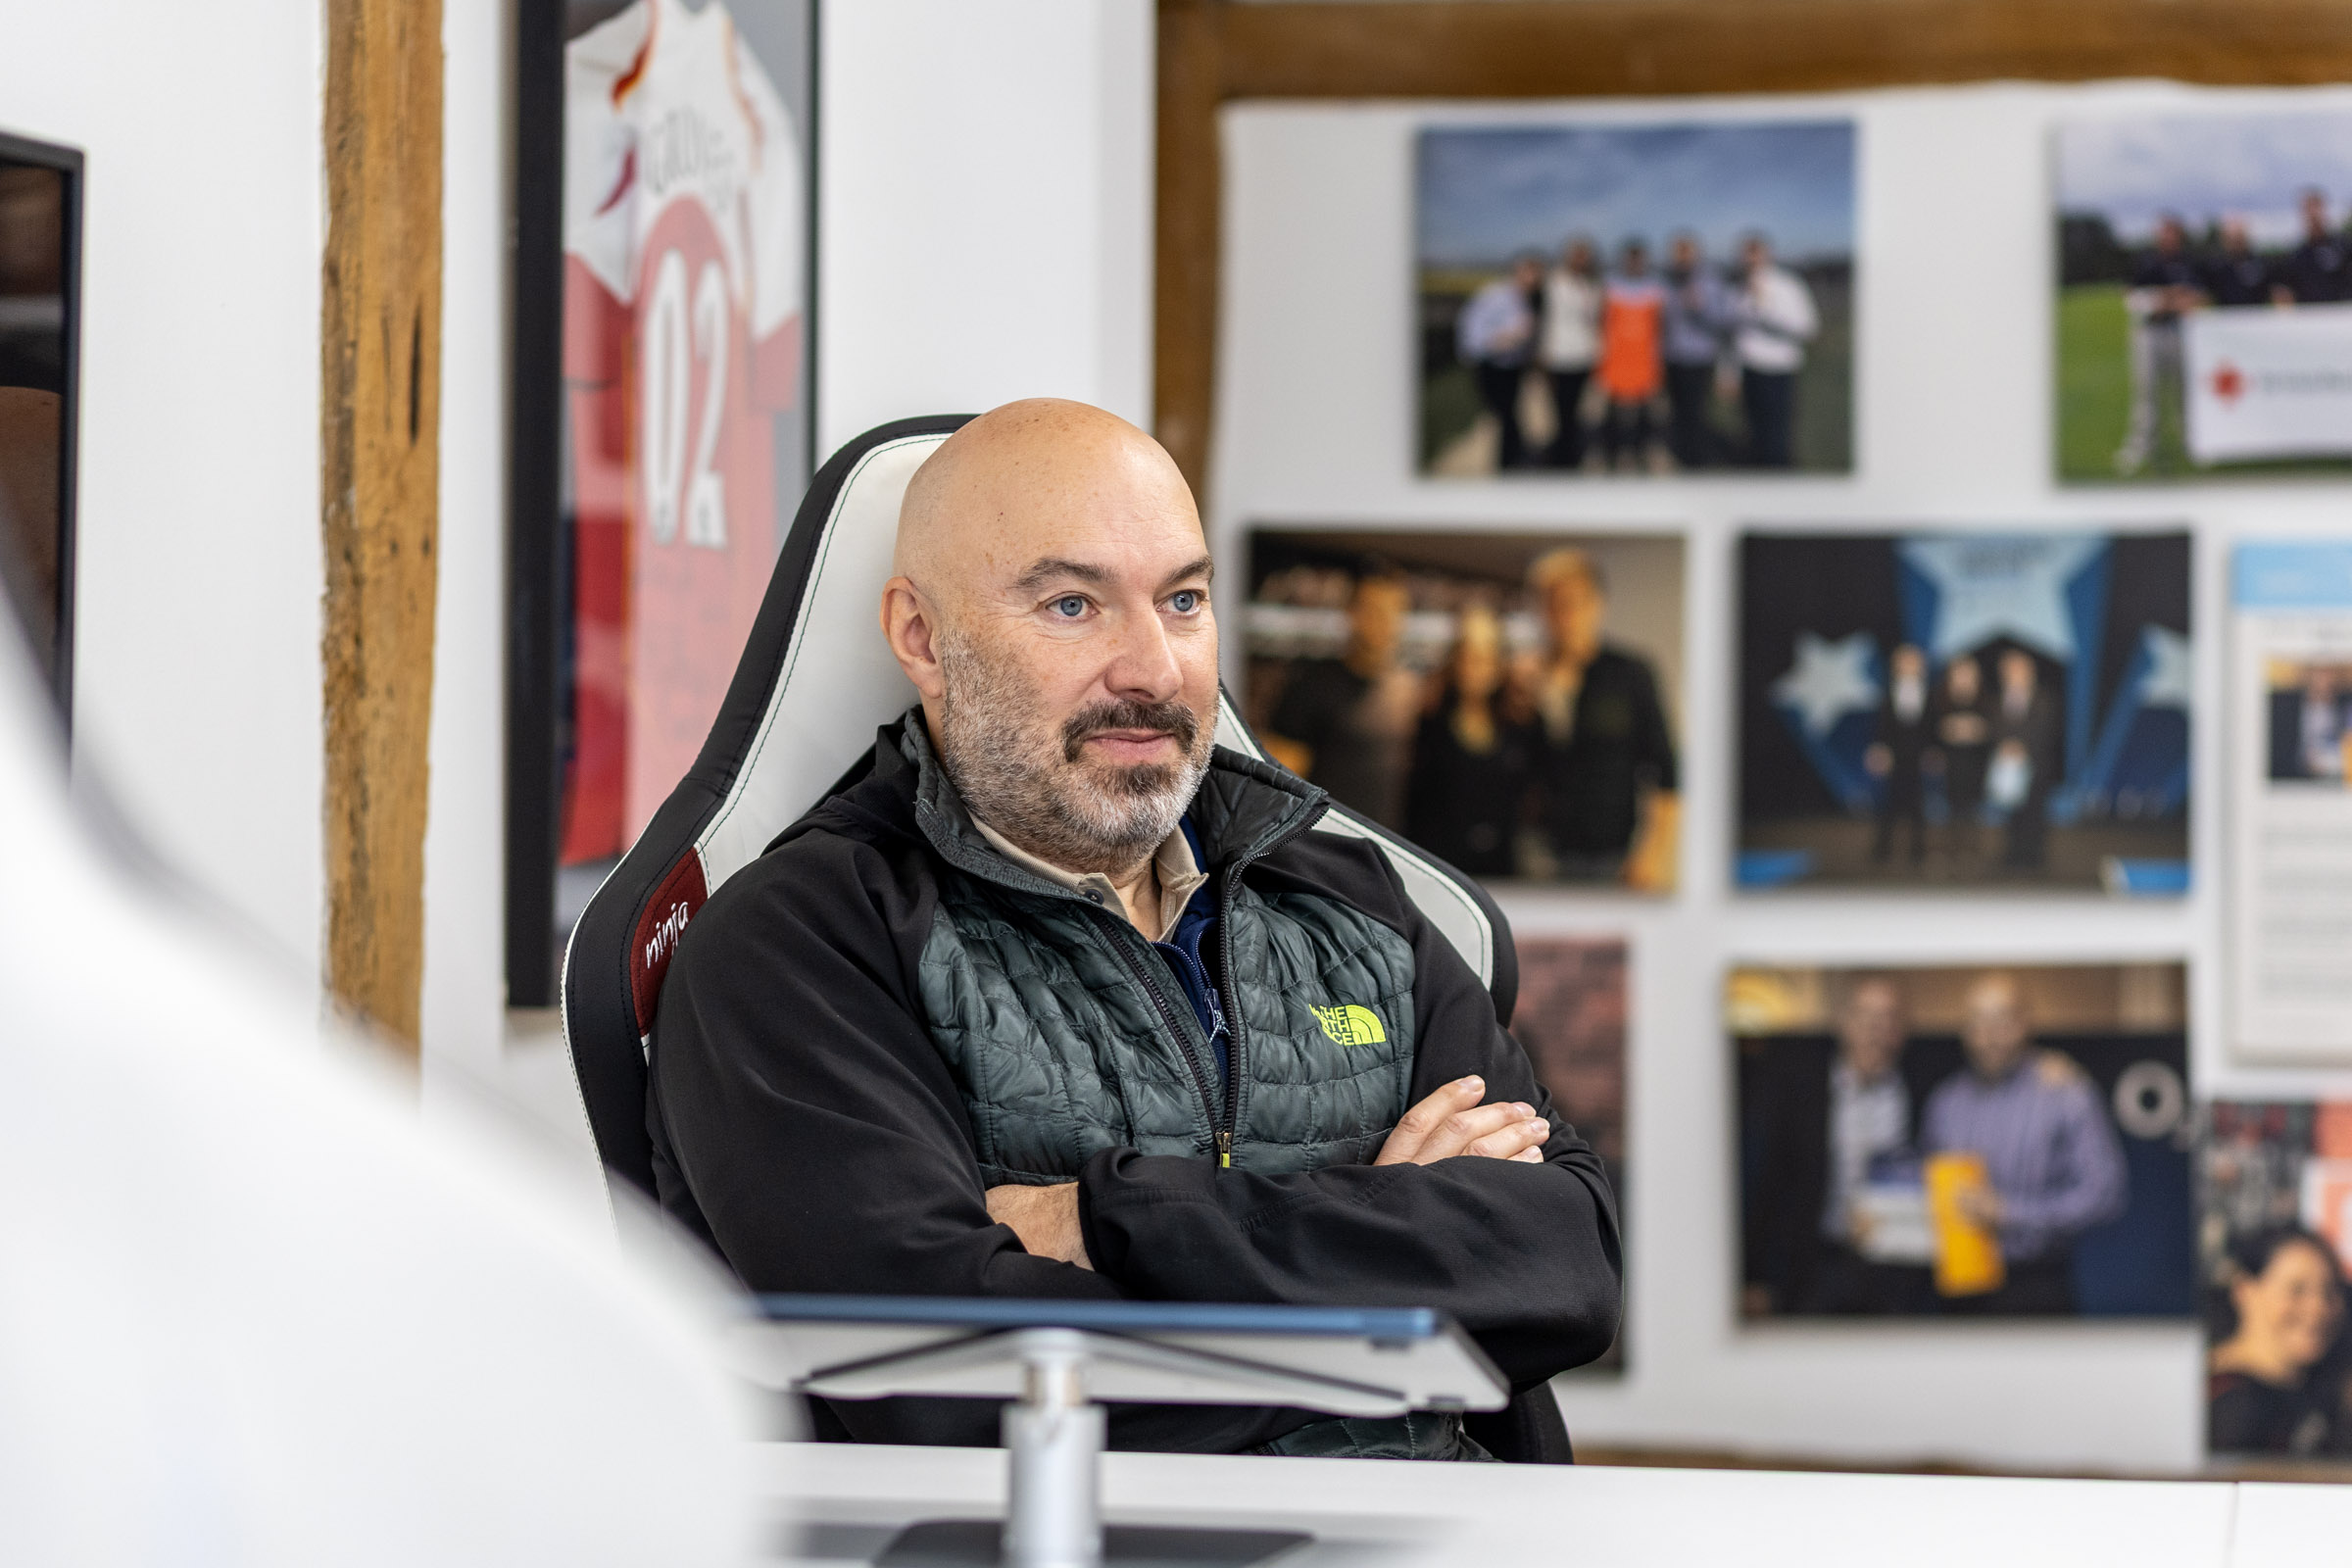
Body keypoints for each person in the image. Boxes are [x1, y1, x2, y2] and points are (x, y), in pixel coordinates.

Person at [649, 400, 1622, 1459]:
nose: (1154, 670)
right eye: (1073, 605)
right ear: (922, 637)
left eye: (1183, 600)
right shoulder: (800, 947)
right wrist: (1396, 1250)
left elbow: (1566, 1262)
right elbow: (958, 1384)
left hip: (1448, 1525)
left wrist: (1106, 1219)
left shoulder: (1349, 900)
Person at [1921, 973, 2128, 1314]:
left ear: (2025, 1022)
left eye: (2002, 1020)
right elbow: (1923, 1188)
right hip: (1958, 1286)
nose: (1989, 1035)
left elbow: (2104, 1194)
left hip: (2036, 1284)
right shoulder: (1945, 1102)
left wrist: (2010, 1212)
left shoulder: (2065, 1093)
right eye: (1978, 1022)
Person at [1745, 975, 1932, 1317]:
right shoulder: (1801, 1090)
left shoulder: (1923, 1088)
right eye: (1865, 1016)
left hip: (1896, 1273)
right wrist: (1755, 1275)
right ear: (1844, 1023)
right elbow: (1769, 1183)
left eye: (1888, 1017)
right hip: (1816, 1264)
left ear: (1902, 1030)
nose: (1875, 1029)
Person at [1523, 548, 1679, 889]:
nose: (1565, 615)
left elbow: (1667, 770)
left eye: (1574, 603)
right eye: (1553, 604)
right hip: (1541, 852)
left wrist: (1652, 855)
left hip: (1614, 855)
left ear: (1597, 604)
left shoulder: (1629, 673)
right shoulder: (1527, 678)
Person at [1260, 567, 1423, 831]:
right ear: (1352, 613)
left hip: (1390, 841)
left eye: (1393, 612)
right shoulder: (1312, 686)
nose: (1384, 623)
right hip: (1327, 838)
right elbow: (1281, 782)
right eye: (1373, 611)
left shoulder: (1409, 686)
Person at [1403, 604, 1535, 879]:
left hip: (1502, 868)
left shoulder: (1520, 725)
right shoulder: (1431, 721)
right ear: (1455, 658)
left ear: (1499, 661)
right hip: (1440, 866)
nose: (1476, 667)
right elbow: (1413, 801)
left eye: (1485, 656)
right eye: (1468, 655)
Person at [2208, 1227, 2348, 1455]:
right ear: (2245, 1290)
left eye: (2330, 1291)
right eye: (2297, 1290)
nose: (2318, 1308)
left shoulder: (2325, 1394)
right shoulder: (2218, 1398)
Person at [2115, 214, 2207, 476]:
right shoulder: (2145, 261)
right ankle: (2141, 446)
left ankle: (2191, 442)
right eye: (2163, 232)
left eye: (2172, 233)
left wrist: (2174, 300)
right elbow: (2132, 298)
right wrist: (2165, 298)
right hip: (2149, 334)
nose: (2167, 237)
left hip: (2179, 333)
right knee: (2147, 395)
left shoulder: (2187, 262)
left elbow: (2196, 297)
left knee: (2184, 393)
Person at [1731, 232, 1818, 469]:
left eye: (1755, 253)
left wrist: (1765, 308)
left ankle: (1780, 477)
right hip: (1749, 370)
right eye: (1745, 254)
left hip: (1778, 371)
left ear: (1768, 254)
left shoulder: (1789, 286)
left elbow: (1808, 328)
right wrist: (1730, 372)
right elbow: (1737, 335)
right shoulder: (1739, 289)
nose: (1750, 259)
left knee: (1777, 436)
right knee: (1754, 431)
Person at [1456, 254, 1542, 470]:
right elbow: (1471, 332)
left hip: (1514, 366)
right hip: (1492, 368)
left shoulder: (1525, 298)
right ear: (1517, 272)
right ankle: (1507, 465)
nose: (1532, 279)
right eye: (1528, 273)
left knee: (1511, 414)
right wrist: (1503, 339)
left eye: (1536, 275)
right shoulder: (1495, 294)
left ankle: (1512, 457)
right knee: (1504, 417)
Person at [1986, 648, 2062, 873]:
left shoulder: (2044, 699)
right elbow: (1994, 728)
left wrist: (2023, 748)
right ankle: (2013, 856)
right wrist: (2005, 746)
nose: (2015, 674)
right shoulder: (1996, 700)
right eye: (2010, 670)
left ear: (2030, 672)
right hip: (2006, 767)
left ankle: (2034, 858)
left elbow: (2047, 729)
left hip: (2036, 765)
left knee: (2035, 813)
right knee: (2012, 814)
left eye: (2019, 669)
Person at [1595, 238, 1666, 472]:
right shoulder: (1610, 287)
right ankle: (1612, 453)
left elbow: (1660, 328)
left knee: (1645, 412)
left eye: (1639, 259)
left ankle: (1640, 452)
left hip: (1644, 360)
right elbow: (1602, 324)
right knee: (1613, 413)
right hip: (1616, 359)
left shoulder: (1655, 289)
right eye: (1631, 258)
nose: (1635, 263)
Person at [1659, 231, 1727, 469]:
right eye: (1677, 253)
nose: (1682, 258)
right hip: (1672, 357)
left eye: (1686, 252)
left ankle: (1695, 459)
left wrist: (1701, 308)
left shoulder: (1710, 281)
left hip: (1699, 358)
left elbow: (1722, 321)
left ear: (1696, 254)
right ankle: (1681, 453)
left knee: (1696, 412)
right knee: (1677, 411)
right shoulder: (1667, 282)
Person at [1865, 643, 1933, 868]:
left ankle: (1918, 851)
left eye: (1914, 662)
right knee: (1889, 805)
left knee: (1917, 806)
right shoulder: (1888, 691)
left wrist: (1932, 752)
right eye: (1905, 662)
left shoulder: (1929, 692)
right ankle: (1882, 850)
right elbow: (1881, 725)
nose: (1909, 666)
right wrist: (1879, 749)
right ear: (1896, 666)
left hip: (1918, 757)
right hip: (1893, 756)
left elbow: (1931, 727)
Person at [1538, 237, 1601, 470]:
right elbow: (1545, 319)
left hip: (1583, 356)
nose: (1580, 260)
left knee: (1575, 409)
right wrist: (1543, 351)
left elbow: (1594, 322)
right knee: (1560, 410)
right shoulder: (1552, 282)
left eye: (1585, 256)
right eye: (1576, 255)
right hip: (1558, 356)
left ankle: (1568, 454)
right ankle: (1562, 457)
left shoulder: (1591, 286)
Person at [1936, 653, 1991, 865]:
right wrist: (1947, 730)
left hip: (1975, 763)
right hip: (1951, 764)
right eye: (1959, 673)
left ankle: (1971, 851)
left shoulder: (1985, 700)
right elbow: (1932, 729)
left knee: (1972, 809)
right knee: (1952, 808)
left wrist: (1977, 731)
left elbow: (1992, 728)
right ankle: (1950, 850)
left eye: (1968, 673)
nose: (1963, 677)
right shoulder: (1941, 699)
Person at [2274, 188, 2349, 306]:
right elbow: (2284, 290)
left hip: (2342, 313)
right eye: (2308, 209)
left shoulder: (2343, 247)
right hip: (2309, 315)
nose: (2313, 214)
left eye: (2316, 207)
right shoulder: (2296, 256)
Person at [2206, 216, 2273, 308]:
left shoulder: (2262, 265)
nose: (2236, 243)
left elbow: (2272, 289)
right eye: (2231, 238)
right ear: (2224, 240)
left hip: (2256, 314)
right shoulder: (2214, 268)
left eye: (2239, 238)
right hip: (2225, 315)